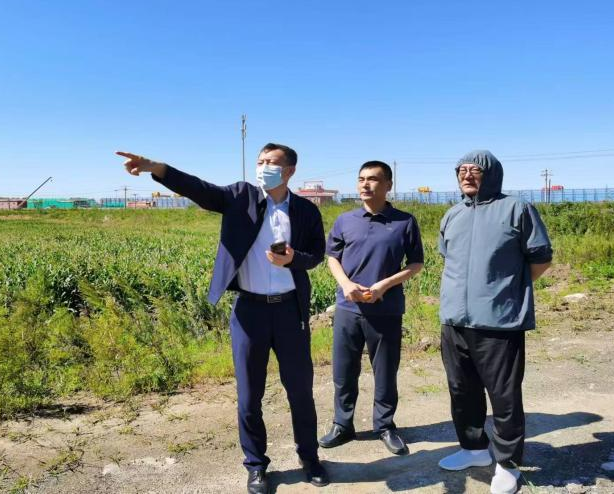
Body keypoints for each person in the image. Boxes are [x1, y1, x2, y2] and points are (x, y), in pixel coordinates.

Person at [116, 144, 329, 494]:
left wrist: (293, 259)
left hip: (290, 311)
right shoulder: (241, 196)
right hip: (250, 311)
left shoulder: (305, 210)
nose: (263, 167)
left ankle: (310, 458)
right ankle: (256, 466)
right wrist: (156, 167)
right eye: (260, 161)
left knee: (300, 391)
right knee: (249, 395)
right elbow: (199, 189)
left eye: (271, 162)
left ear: (289, 170)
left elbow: (317, 255)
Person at [436, 150, 552, 494]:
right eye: (462, 170)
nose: (467, 175)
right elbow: (448, 258)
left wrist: (507, 293)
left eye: (475, 170)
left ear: (492, 174)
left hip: (499, 322)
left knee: (504, 396)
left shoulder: (516, 209)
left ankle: (507, 464)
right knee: (462, 390)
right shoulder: (452, 214)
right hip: (454, 320)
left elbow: (540, 258)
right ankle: (473, 448)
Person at [318, 161, 424, 455]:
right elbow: (332, 257)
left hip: (386, 309)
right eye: (361, 179)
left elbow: (416, 263)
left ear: (388, 185)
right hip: (348, 308)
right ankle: (342, 425)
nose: (366, 184)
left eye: (373, 179)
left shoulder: (404, 222)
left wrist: (384, 286)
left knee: (386, 372)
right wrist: (345, 284)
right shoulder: (345, 220)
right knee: (343, 371)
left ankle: (385, 426)